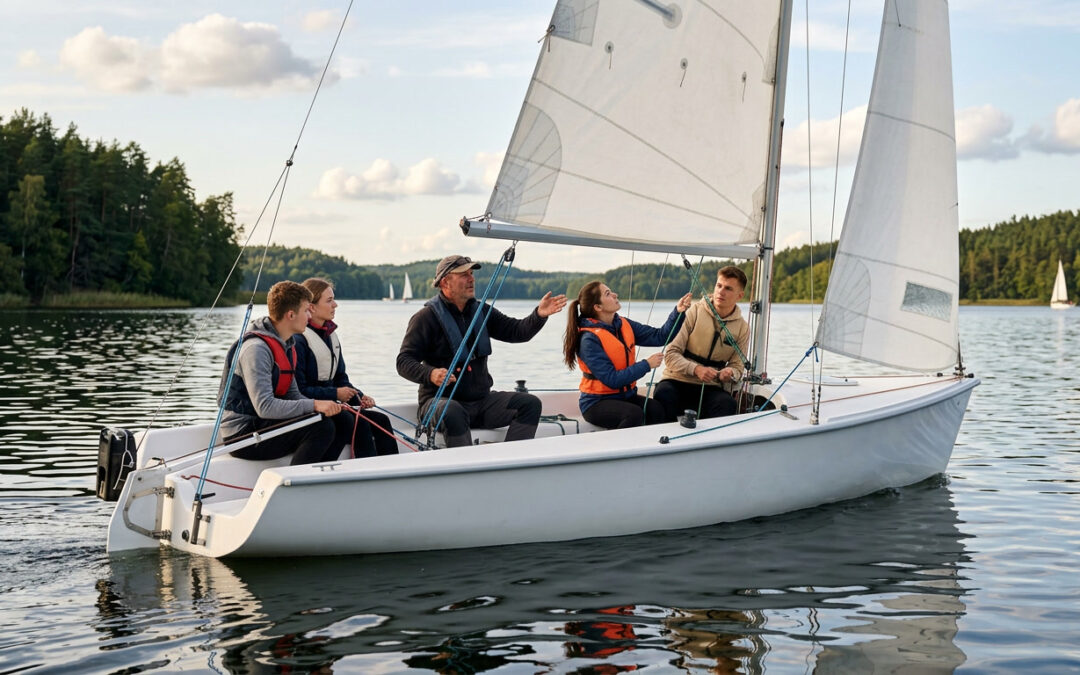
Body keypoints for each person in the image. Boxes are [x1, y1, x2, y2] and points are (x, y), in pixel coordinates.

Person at [396, 254, 567, 447]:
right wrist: (430, 373)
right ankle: (465, 468)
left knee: (529, 404)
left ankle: (513, 462)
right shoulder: (425, 318)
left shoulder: (481, 311)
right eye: (463, 275)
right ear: (445, 282)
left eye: (471, 274)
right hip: (439, 403)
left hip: (481, 403)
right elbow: (403, 361)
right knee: (452, 411)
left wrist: (539, 315)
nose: (471, 279)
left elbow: (517, 332)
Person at [218, 280, 345, 465]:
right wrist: (315, 405)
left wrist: (327, 404)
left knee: (340, 420)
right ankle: (295, 485)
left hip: (263, 425)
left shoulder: (286, 345)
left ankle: (321, 478)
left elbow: (293, 395)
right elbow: (265, 407)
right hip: (242, 435)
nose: (309, 316)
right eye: (306, 311)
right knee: (322, 428)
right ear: (291, 314)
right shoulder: (256, 350)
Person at [563, 281, 691, 429]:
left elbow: (660, 336)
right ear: (598, 307)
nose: (615, 294)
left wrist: (678, 312)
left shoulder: (623, 324)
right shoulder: (588, 340)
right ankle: (621, 451)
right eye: (608, 294)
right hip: (596, 403)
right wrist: (646, 364)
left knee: (657, 409)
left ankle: (659, 448)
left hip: (625, 397)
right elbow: (612, 379)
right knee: (634, 414)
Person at [293, 277, 398, 458]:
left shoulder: (330, 336)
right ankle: (365, 474)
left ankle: (393, 471)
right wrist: (336, 394)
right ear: (311, 307)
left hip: (334, 403)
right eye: (329, 300)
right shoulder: (299, 341)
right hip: (313, 408)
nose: (335, 305)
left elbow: (340, 378)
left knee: (382, 420)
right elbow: (300, 390)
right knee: (360, 423)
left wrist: (358, 396)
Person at [653, 266, 750, 421]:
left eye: (728, 288)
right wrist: (696, 369)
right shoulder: (693, 311)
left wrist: (730, 373)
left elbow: (738, 366)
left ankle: (707, 443)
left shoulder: (742, 328)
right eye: (719, 286)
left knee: (727, 404)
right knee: (663, 394)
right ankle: (668, 442)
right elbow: (670, 355)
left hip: (711, 387)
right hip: (677, 380)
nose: (721, 292)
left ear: (740, 295)